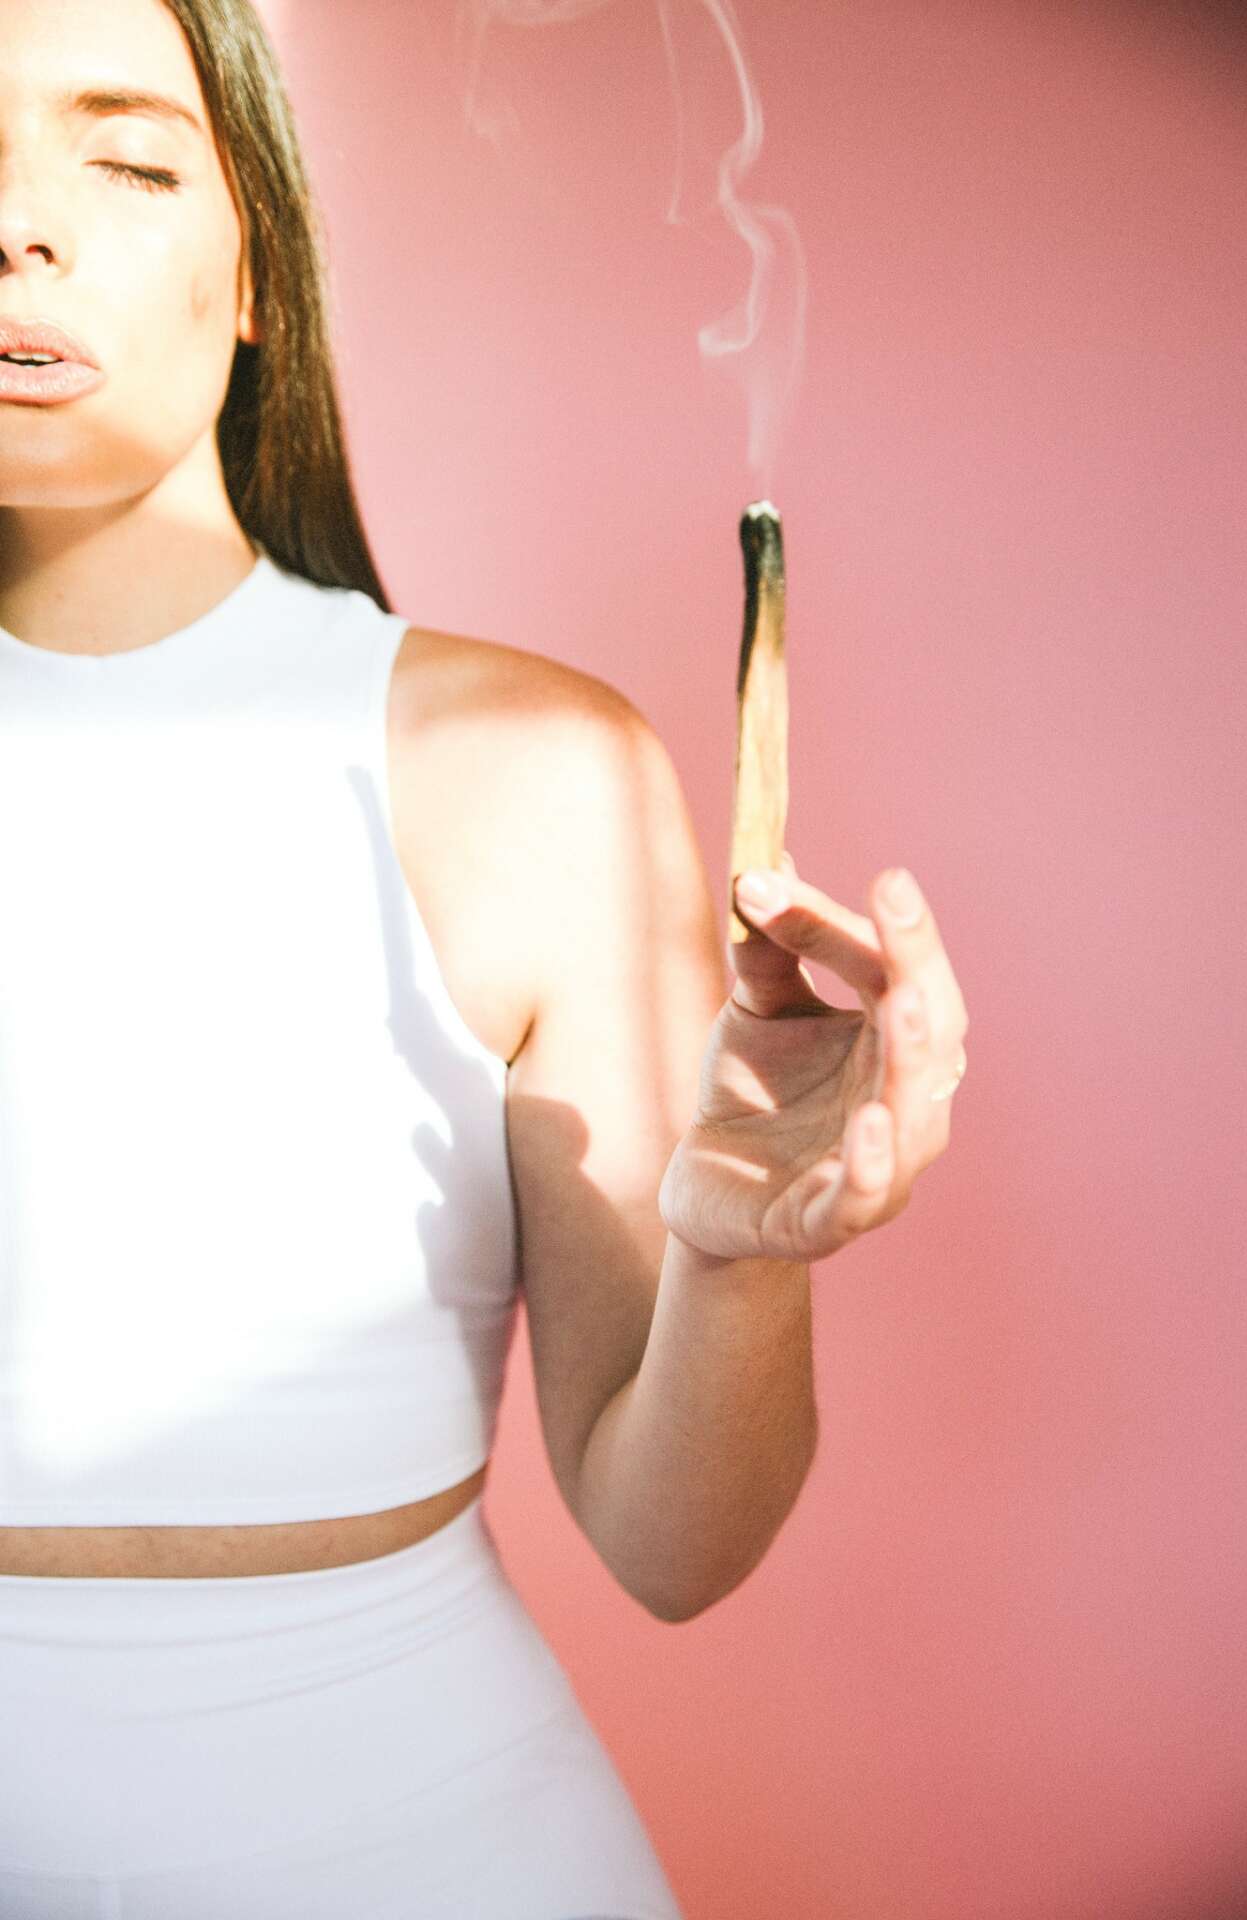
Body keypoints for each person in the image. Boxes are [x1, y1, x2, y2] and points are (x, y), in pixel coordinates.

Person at [0, 0, 970, 1914]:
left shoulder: (528, 771)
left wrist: (738, 1257)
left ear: (256, 269)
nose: (17, 225)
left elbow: (673, 1546)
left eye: (123, 159)